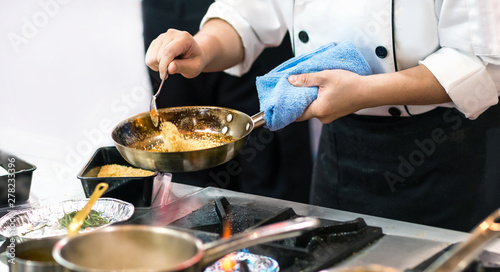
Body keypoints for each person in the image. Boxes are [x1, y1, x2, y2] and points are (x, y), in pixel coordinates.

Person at [144, 1, 500, 232]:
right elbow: (250, 13)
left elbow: (482, 66)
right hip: (341, 150)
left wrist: (365, 92)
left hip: (446, 153)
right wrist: (204, 47)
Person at [141, 0, 313, 203]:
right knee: (183, 174)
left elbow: (259, 15)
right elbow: (241, 17)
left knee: (267, 174)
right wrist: (202, 48)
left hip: (262, 41)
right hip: (174, 15)